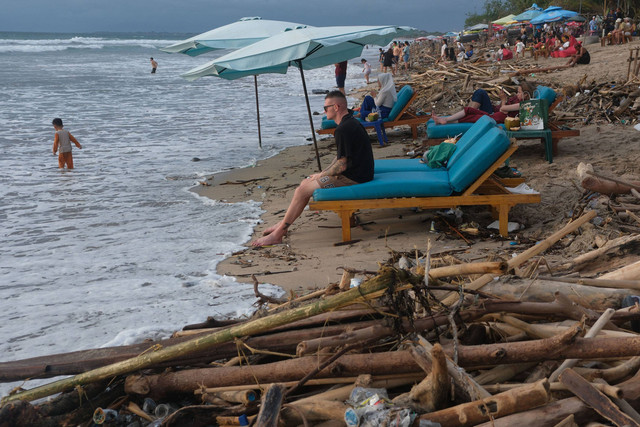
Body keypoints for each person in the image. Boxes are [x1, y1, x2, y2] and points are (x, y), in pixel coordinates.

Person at [252, 91, 373, 247]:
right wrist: (321, 174)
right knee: (305, 183)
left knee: (301, 191)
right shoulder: (349, 122)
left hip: (354, 178)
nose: (324, 111)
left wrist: (323, 176)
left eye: (326, 107)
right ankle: (283, 223)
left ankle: (278, 234)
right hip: (358, 172)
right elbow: (340, 159)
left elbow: (341, 165)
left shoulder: (343, 129)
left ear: (336, 107)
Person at [431, 82, 534, 125]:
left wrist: (503, 100)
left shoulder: (522, 105)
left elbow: (503, 109)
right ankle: (445, 119)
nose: (517, 94)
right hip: (495, 113)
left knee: (470, 112)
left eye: (519, 92)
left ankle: (445, 120)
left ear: (526, 95)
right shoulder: (520, 102)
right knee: (471, 109)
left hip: (495, 117)